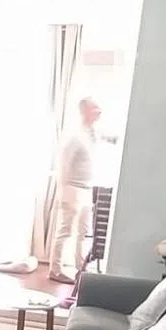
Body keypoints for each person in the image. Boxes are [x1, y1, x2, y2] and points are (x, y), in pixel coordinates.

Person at [48, 97, 102, 284]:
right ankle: (55, 270)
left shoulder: (92, 134)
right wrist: (65, 191)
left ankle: (81, 267)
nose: (99, 111)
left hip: (86, 188)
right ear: (85, 110)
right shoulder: (76, 136)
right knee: (66, 230)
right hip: (72, 188)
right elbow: (64, 164)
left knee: (83, 232)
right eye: (95, 108)